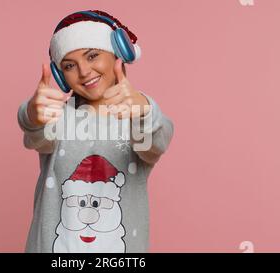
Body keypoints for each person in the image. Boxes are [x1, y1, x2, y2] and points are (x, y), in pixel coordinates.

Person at [17, 10, 174, 253]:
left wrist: (143, 110)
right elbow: (35, 133)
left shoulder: (138, 118)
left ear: (119, 54)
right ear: (60, 75)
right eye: (69, 65)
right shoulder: (58, 117)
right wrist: (32, 113)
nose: (83, 71)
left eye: (92, 56)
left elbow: (157, 141)